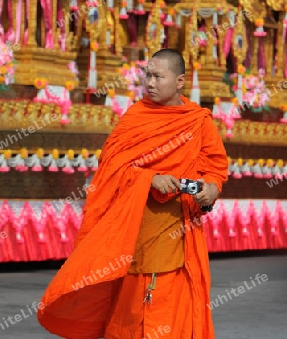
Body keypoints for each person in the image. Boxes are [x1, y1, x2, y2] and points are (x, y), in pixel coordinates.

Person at [37, 48, 228, 339]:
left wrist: (211, 188)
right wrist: (149, 178)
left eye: (158, 77)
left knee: (176, 305)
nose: (150, 83)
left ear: (179, 81)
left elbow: (215, 167)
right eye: (147, 76)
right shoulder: (135, 117)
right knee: (133, 308)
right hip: (135, 231)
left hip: (179, 234)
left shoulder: (198, 120)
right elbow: (109, 167)